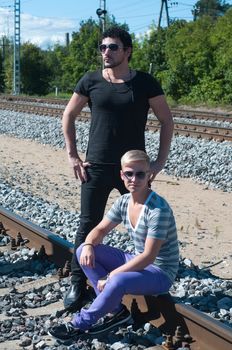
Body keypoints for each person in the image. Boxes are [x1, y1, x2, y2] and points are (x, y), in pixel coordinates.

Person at [62, 25, 174, 312]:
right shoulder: (90, 81)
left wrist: (159, 162)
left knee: (144, 222)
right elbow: (69, 114)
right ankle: (79, 283)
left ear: (127, 51)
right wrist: (73, 155)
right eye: (102, 48)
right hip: (96, 166)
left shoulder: (145, 83)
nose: (106, 53)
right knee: (89, 224)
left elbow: (166, 120)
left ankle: (143, 275)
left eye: (112, 47)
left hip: (133, 170)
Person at [48, 150, 179, 342]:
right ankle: (117, 311)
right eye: (129, 173)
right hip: (137, 259)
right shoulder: (124, 201)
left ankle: (78, 325)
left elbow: (149, 257)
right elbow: (99, 230)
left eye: (140, 174)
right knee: (82, 252)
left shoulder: (158, 210)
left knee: (117, 281)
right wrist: (88, 244)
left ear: (149, 174)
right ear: (122, 175)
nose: (134, 179)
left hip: (160, 271)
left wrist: (111, 276)